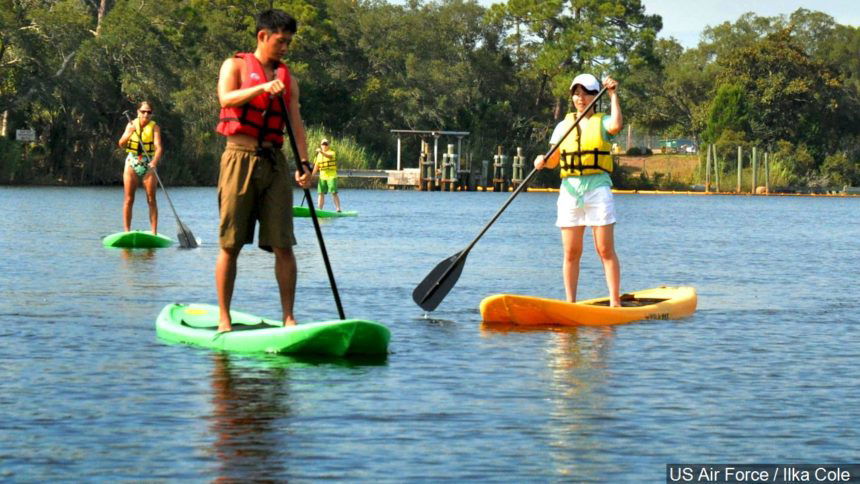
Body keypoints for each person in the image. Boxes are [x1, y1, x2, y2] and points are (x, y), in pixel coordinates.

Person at [214, 9, 312, 332]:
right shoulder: (235, 66)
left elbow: (296, 125)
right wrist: (260, 89)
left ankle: (288, 317)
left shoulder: (288, 79)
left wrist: (304, 164)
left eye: (289, 42)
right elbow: (225, 98)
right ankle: (224, 318)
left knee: (284, 244)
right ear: (262, 36)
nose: (285, 48)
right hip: (238, 158)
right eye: (280, 41)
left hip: (274, 163)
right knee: (231, 243)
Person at [533, 73, 623, 306]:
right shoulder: (564, 125)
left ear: (595, 96)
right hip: (570, 192)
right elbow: (553, 161)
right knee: (571, 253)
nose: (580, 97)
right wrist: (541, 160)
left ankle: (615, 303)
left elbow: (616, 126)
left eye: (585, 93)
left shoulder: (602, 121)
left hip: (597, 189)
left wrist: (613, 95)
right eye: (576, 93)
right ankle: (571, 303)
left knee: (604, 249)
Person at [117, 101, 162, 234]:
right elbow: (121, 144)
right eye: (143, 111)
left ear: (151, 114)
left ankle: (153, 232)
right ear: (138, 112)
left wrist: (154, 161)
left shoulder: (155, 128)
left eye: (149, 112)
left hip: (148, 164)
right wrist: (129, 133)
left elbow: (158, 147)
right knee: (129, 199)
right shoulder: (130, 125)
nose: (146, 114)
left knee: (151, 199)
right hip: (132, 162)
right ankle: (127, 231)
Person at [311, 138, 341, 211]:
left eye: (326, 144)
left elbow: (328, 156)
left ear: (328, 145)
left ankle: (338, 208)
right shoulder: (318, 155)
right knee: (320, 193)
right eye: (323, 144)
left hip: (331, 176)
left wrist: (321, 152)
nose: (324, 145)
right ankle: (320, 209)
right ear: (321, 145)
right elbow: (316, 167)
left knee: (334, 192)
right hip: (322, 177)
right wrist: (311, 176)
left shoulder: (331, 152)